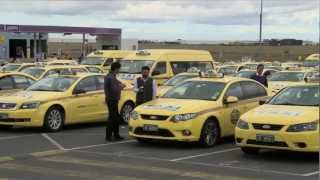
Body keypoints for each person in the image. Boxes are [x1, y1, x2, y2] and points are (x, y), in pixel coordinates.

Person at [104, 62, 126, 141]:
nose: (119, 70)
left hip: (111, 99)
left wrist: (119, 84)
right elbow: (114, 90)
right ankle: (109, 136)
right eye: (119, 69)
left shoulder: (110, 76)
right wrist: (121, 87)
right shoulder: (111, 77)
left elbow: (115, 84)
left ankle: (115, 134)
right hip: (112, 99)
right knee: (112, 118)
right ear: (116, 69)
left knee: (115, 117)